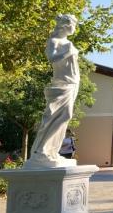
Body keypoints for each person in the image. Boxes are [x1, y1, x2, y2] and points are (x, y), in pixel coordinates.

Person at [26, 14, 80, 168]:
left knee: (66, 116)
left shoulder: (69, 43)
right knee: (52, 116)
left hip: (72, 82)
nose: (74, 28)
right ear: (65, 25)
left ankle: (52, 152)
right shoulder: (54, 41)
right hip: (61, 83)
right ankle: (40, 152)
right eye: (73, 25)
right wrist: (68, 52)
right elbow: (52, 59)